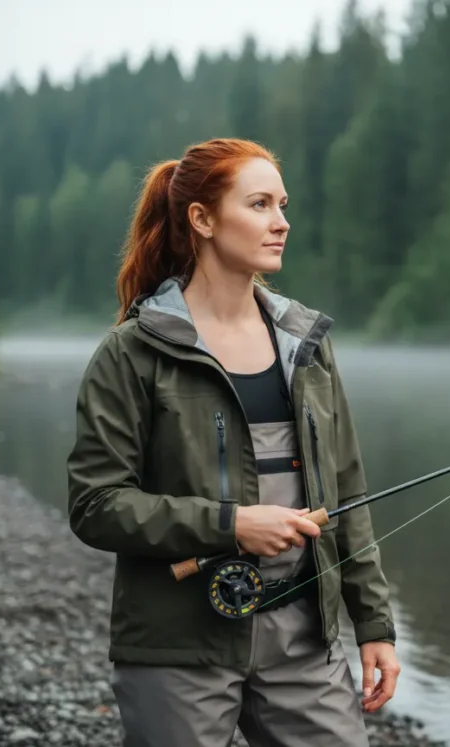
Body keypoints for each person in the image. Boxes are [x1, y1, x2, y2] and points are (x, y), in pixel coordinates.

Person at [65, 137, 399, 747]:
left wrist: (374, 624)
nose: (282, 222)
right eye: (261, 204)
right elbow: (95, 505)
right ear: (203, 219)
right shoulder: (132, 354)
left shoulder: (308, 346)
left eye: (283, 204)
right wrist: (232, 525)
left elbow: (348, 491)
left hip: (304, 640)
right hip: (176, 646)